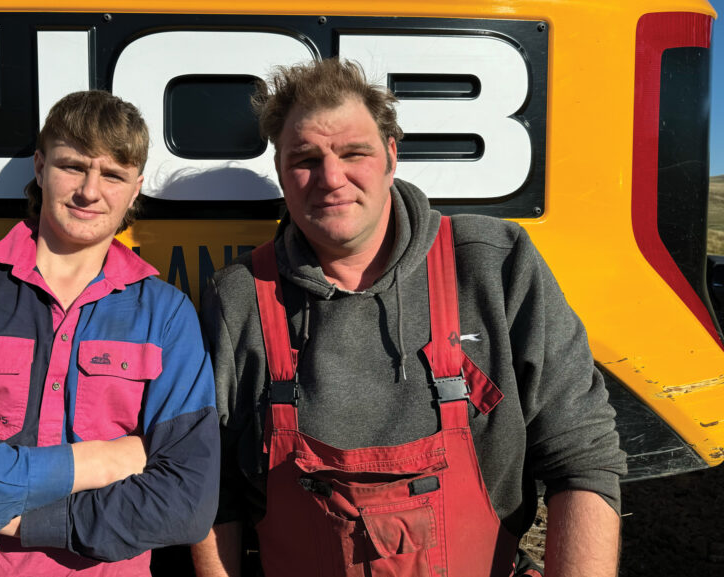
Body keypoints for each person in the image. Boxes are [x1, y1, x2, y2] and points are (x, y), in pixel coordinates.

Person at [190, 59, 625, 577]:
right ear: (281, 173)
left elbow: (582, 457)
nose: (331, 178)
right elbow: (213, 489)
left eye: (354, 153)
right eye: (305, 159)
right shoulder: (238, 297)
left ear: (391, 157)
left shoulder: (494, 264)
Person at [0, 90, 219, 576]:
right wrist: (96, 463)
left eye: (112, 175)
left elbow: (185, 504)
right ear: (40, 167)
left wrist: (8, 511)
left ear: (135, 190)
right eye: (73, 167)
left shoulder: (166, 314)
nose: (90, 191)